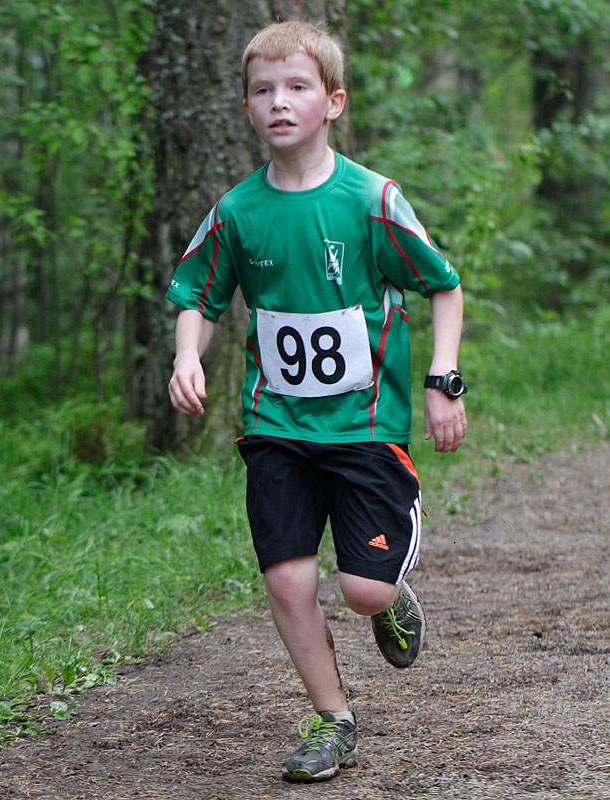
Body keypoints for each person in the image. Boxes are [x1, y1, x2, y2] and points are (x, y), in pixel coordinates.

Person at [167, 20, 467, 783]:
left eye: (296, 87)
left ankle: (388, 594)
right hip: (276, 423)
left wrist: (443, 379)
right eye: (262, 89)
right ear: (245, 105)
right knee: (288, 578)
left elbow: (443, 284)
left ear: (333, 101)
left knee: (361, 590)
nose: (278, 102)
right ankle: (333, 718)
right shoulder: (237, 211)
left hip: (363, 426)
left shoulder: (370, 199)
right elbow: (198, 295)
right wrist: (186, 356)